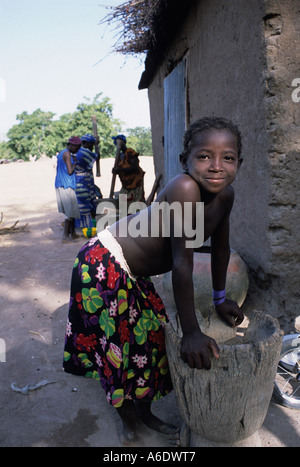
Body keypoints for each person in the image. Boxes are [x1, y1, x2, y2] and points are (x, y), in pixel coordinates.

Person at [63, 117, 244, 447]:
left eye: (228, 158)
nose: (217, 166)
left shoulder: (225, 196)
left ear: (239, 163)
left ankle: (145, 416)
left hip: (132, 272)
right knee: (120, 351)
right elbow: (181, 263)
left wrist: (220, 299)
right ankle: (130, 427)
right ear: (184, 161)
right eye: (204, 156)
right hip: (102, 264)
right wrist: (191, 332)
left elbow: (221, 247)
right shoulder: (184, 189)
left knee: (148, 345)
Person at [55, 136, 81, 242]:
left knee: (72, 209)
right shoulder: (67, 153)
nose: (78, 149)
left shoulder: (62, 153)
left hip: (61, 183)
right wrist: (75, 163)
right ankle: (65, 236)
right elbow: (70, 171)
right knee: (70, 211)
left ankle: (73, 233)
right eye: (77, 147)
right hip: (66, 184)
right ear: (71, 145)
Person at [112, 135, 145, 207]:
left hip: (135, 182)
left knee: (136, 202)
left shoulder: (130, 152)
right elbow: (120, 169)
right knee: (123, 199)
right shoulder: (119, 156)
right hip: (126, 184)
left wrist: (120, 170)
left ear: (124, 143)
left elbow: (134, 167)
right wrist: (115, 171)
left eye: (120, 142)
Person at [74, 133, 99, 230]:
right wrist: (97, 145)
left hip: (79, 183)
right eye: (92, 145)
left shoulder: (77, 152)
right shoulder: (83, 152)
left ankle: (81, 227)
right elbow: (97, 156)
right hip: (82, 183)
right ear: (87, 144)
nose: (92, 147)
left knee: (80, 205)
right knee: (85, 206)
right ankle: (87, 228)